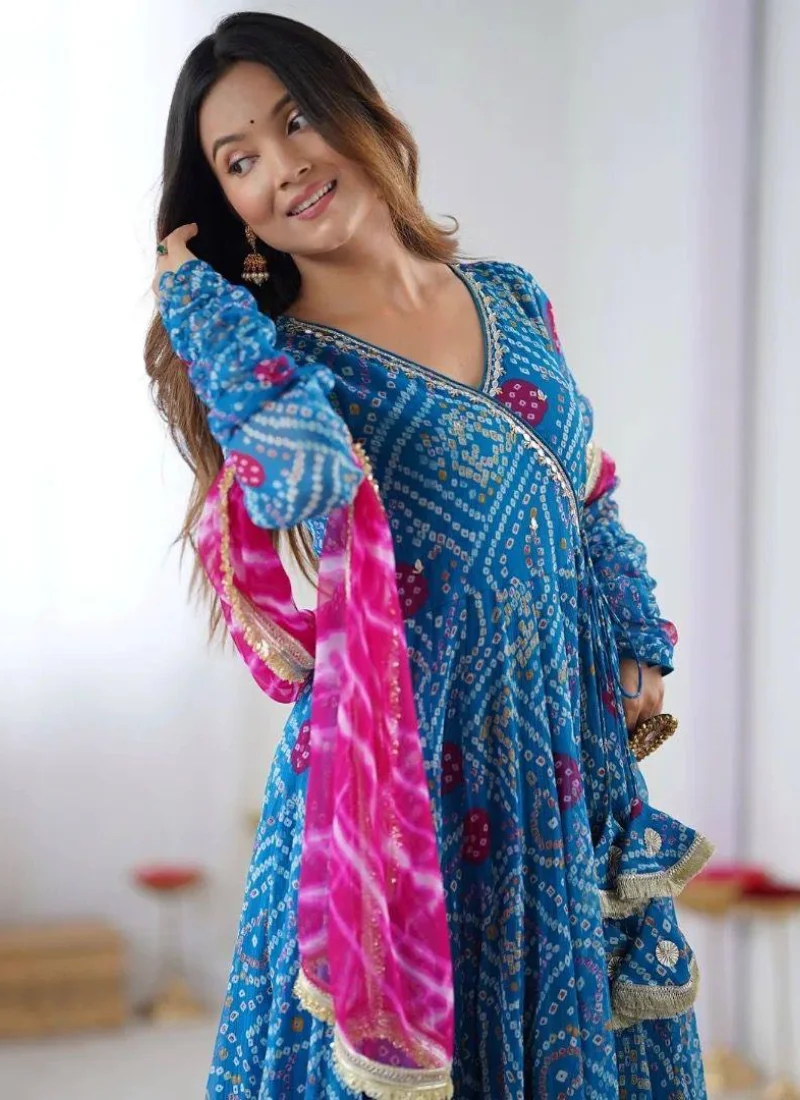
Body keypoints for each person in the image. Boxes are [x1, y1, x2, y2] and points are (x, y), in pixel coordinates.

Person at [146, 11, 712, 1100]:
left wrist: (637, 629)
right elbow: (301, 478)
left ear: (357, 111)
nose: (283, 166)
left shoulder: (509, 295)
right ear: (227, 207)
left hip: (559, 759)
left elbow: (586, 488)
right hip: (403, 782)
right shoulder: (281, 364)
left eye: (295, 120)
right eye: (239, 160)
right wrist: (196, 302)